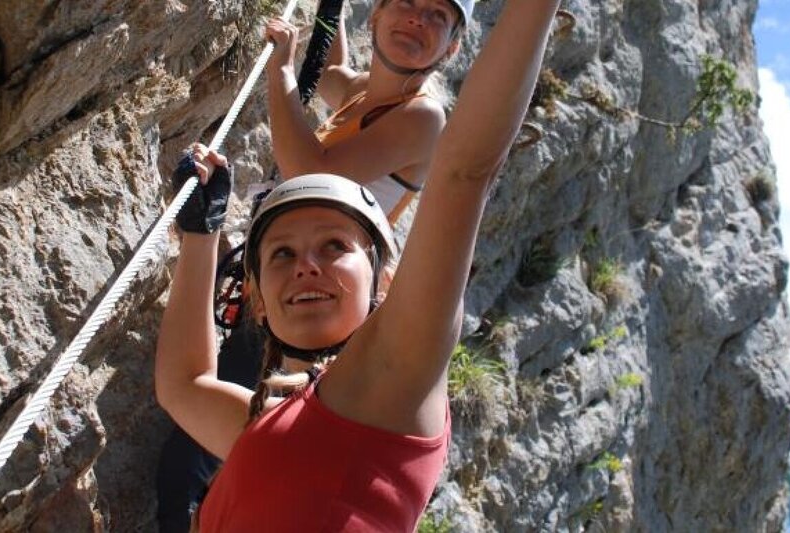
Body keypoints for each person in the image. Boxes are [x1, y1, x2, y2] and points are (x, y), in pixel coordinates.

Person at [156, 0, 559, 529]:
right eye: (282, 254)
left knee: (186, 472)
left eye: (333, 249)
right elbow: (184, 385)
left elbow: (465, 171)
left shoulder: (393, 386)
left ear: (384, 279)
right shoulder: (275, 418)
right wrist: (201, 235)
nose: (305, 266)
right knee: (178, 468)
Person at [265, 0, 473, 223]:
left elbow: (308, 175)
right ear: (376, 14)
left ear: (452, 47)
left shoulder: (424, 117)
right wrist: (331, 7)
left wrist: (281, 70)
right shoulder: (364, 90)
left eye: (438, 15)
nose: (418, 19)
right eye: (407, 2)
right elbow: (329, 73)